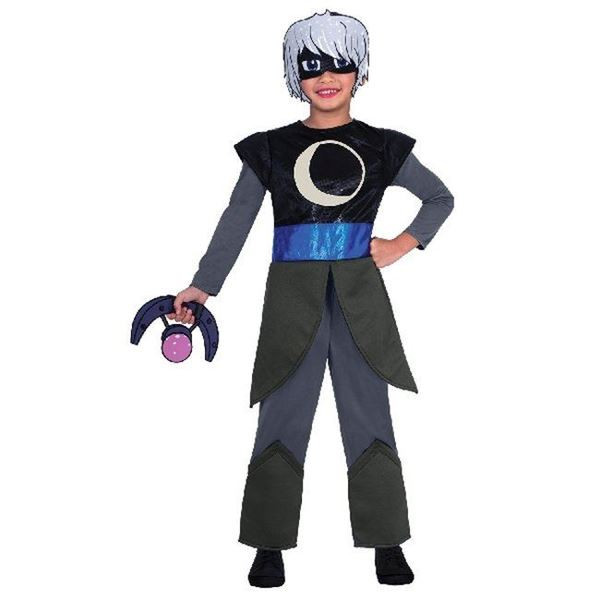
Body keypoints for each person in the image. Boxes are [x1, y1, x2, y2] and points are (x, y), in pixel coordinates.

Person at [167, 9, 454, 587]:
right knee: (283, 409)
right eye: (311, 65)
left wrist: (401, 243)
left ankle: (387, 542)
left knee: (368, 410)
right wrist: (204, 284)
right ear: (294, 74)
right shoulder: (271, 149)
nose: (326, 77)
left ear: (359, 72)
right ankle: (268, 543)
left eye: (339, 64)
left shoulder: (382, 146)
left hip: (360, 299)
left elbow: (440, 198)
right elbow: (237, 220)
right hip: (290, 299)